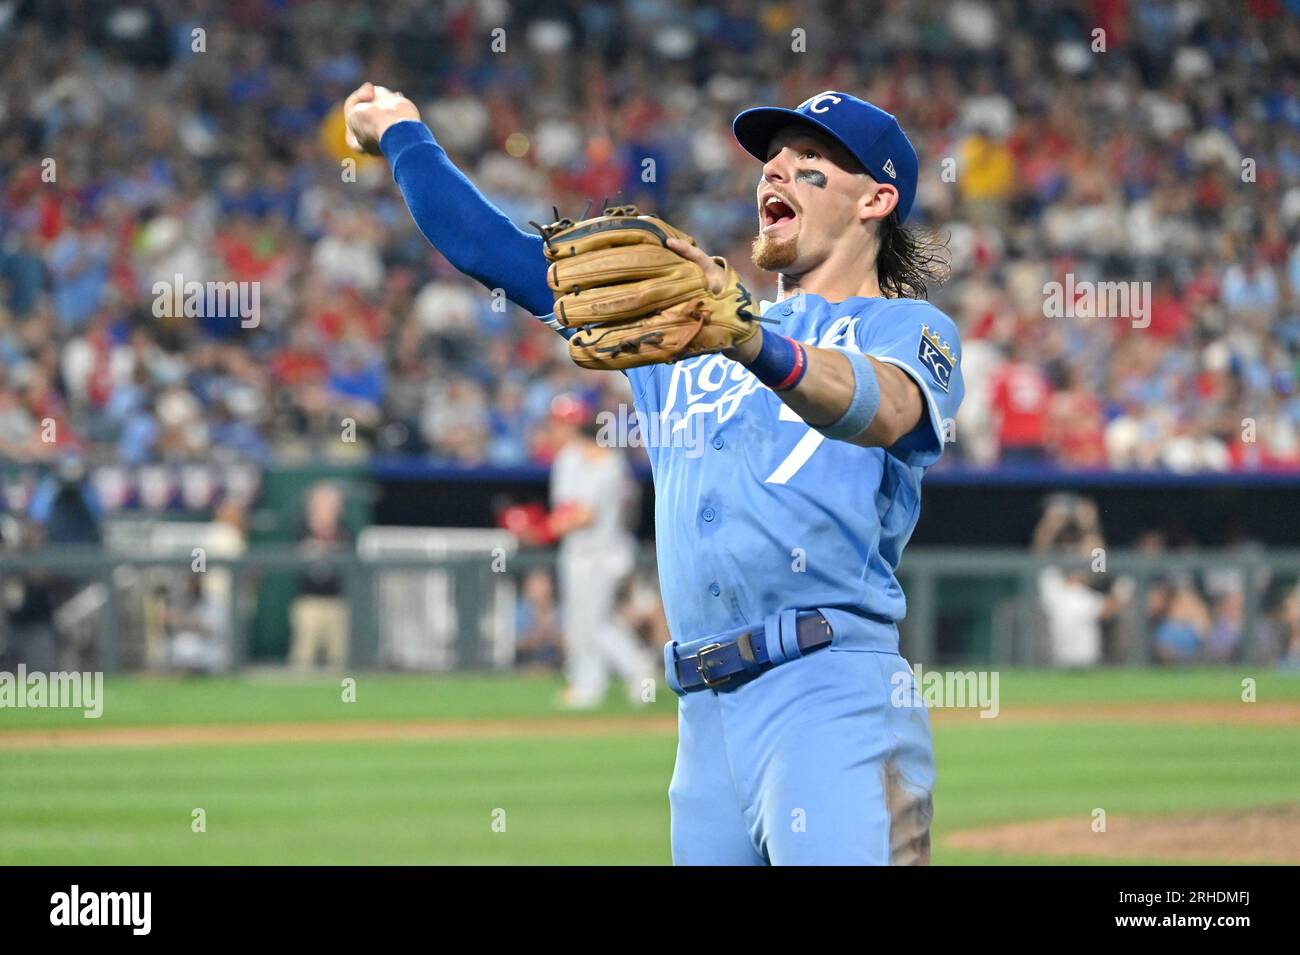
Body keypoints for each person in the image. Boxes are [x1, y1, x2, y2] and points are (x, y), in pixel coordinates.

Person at [346, 84, 964, 865]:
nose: (776, 171)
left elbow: (887, 407)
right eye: (771, 159)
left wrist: (751, 343)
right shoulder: (685, 323)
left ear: (876, 197)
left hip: (832, 693)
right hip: (702, 721)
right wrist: (404, 133)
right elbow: (493, 252)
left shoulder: (903, 329)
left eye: (811, 161)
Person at [546, 393, 655, 707]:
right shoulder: (573, 459)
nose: (557, 429)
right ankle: (594, 681)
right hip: (587, 551)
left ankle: (634, 673)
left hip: (602, 553)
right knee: (588, 622)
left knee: (592, 623)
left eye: (563, 423)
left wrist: (539, 529)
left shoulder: (602, 462)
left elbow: (580, 515)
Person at [288, 482, 352, 670]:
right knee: (303, 657)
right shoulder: (300, 529)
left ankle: (345, 698)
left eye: (333, 504)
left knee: (339, 658)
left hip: (336, 601)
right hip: (309, 601)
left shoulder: (345, 531)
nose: (329, 509)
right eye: (324, 503)